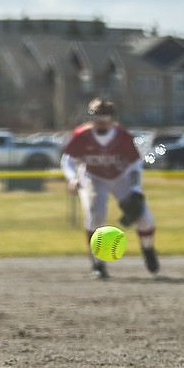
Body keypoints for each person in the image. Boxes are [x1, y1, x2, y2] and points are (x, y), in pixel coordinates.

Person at [60, 97, 159, 279]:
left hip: (120, 176)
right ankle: (98, 264)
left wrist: (136, 189)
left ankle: (148, 249)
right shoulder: (82, 135)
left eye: (104, 116)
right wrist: (72, 178)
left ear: (112, 117)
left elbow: (135, 164)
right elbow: (68, 161)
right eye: (96, 116)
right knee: (95, 215)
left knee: (144, 217)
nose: (100, 120)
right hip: (93, 176)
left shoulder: (122, 136)